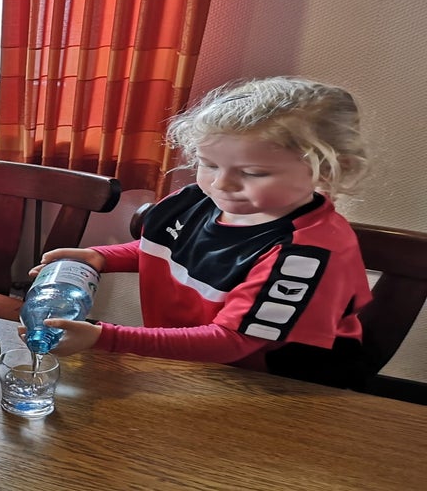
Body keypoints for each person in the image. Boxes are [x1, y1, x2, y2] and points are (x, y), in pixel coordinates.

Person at [28, 77, 372, 389]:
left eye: (253, 172)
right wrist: (100, 257)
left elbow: (232, 341)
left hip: (275, 387)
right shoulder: (196, 200)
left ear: (327, 172)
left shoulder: (307, 254)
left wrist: (106, 338)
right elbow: (163, 247)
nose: (222, 184)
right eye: (209, 164)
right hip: (199, 367)